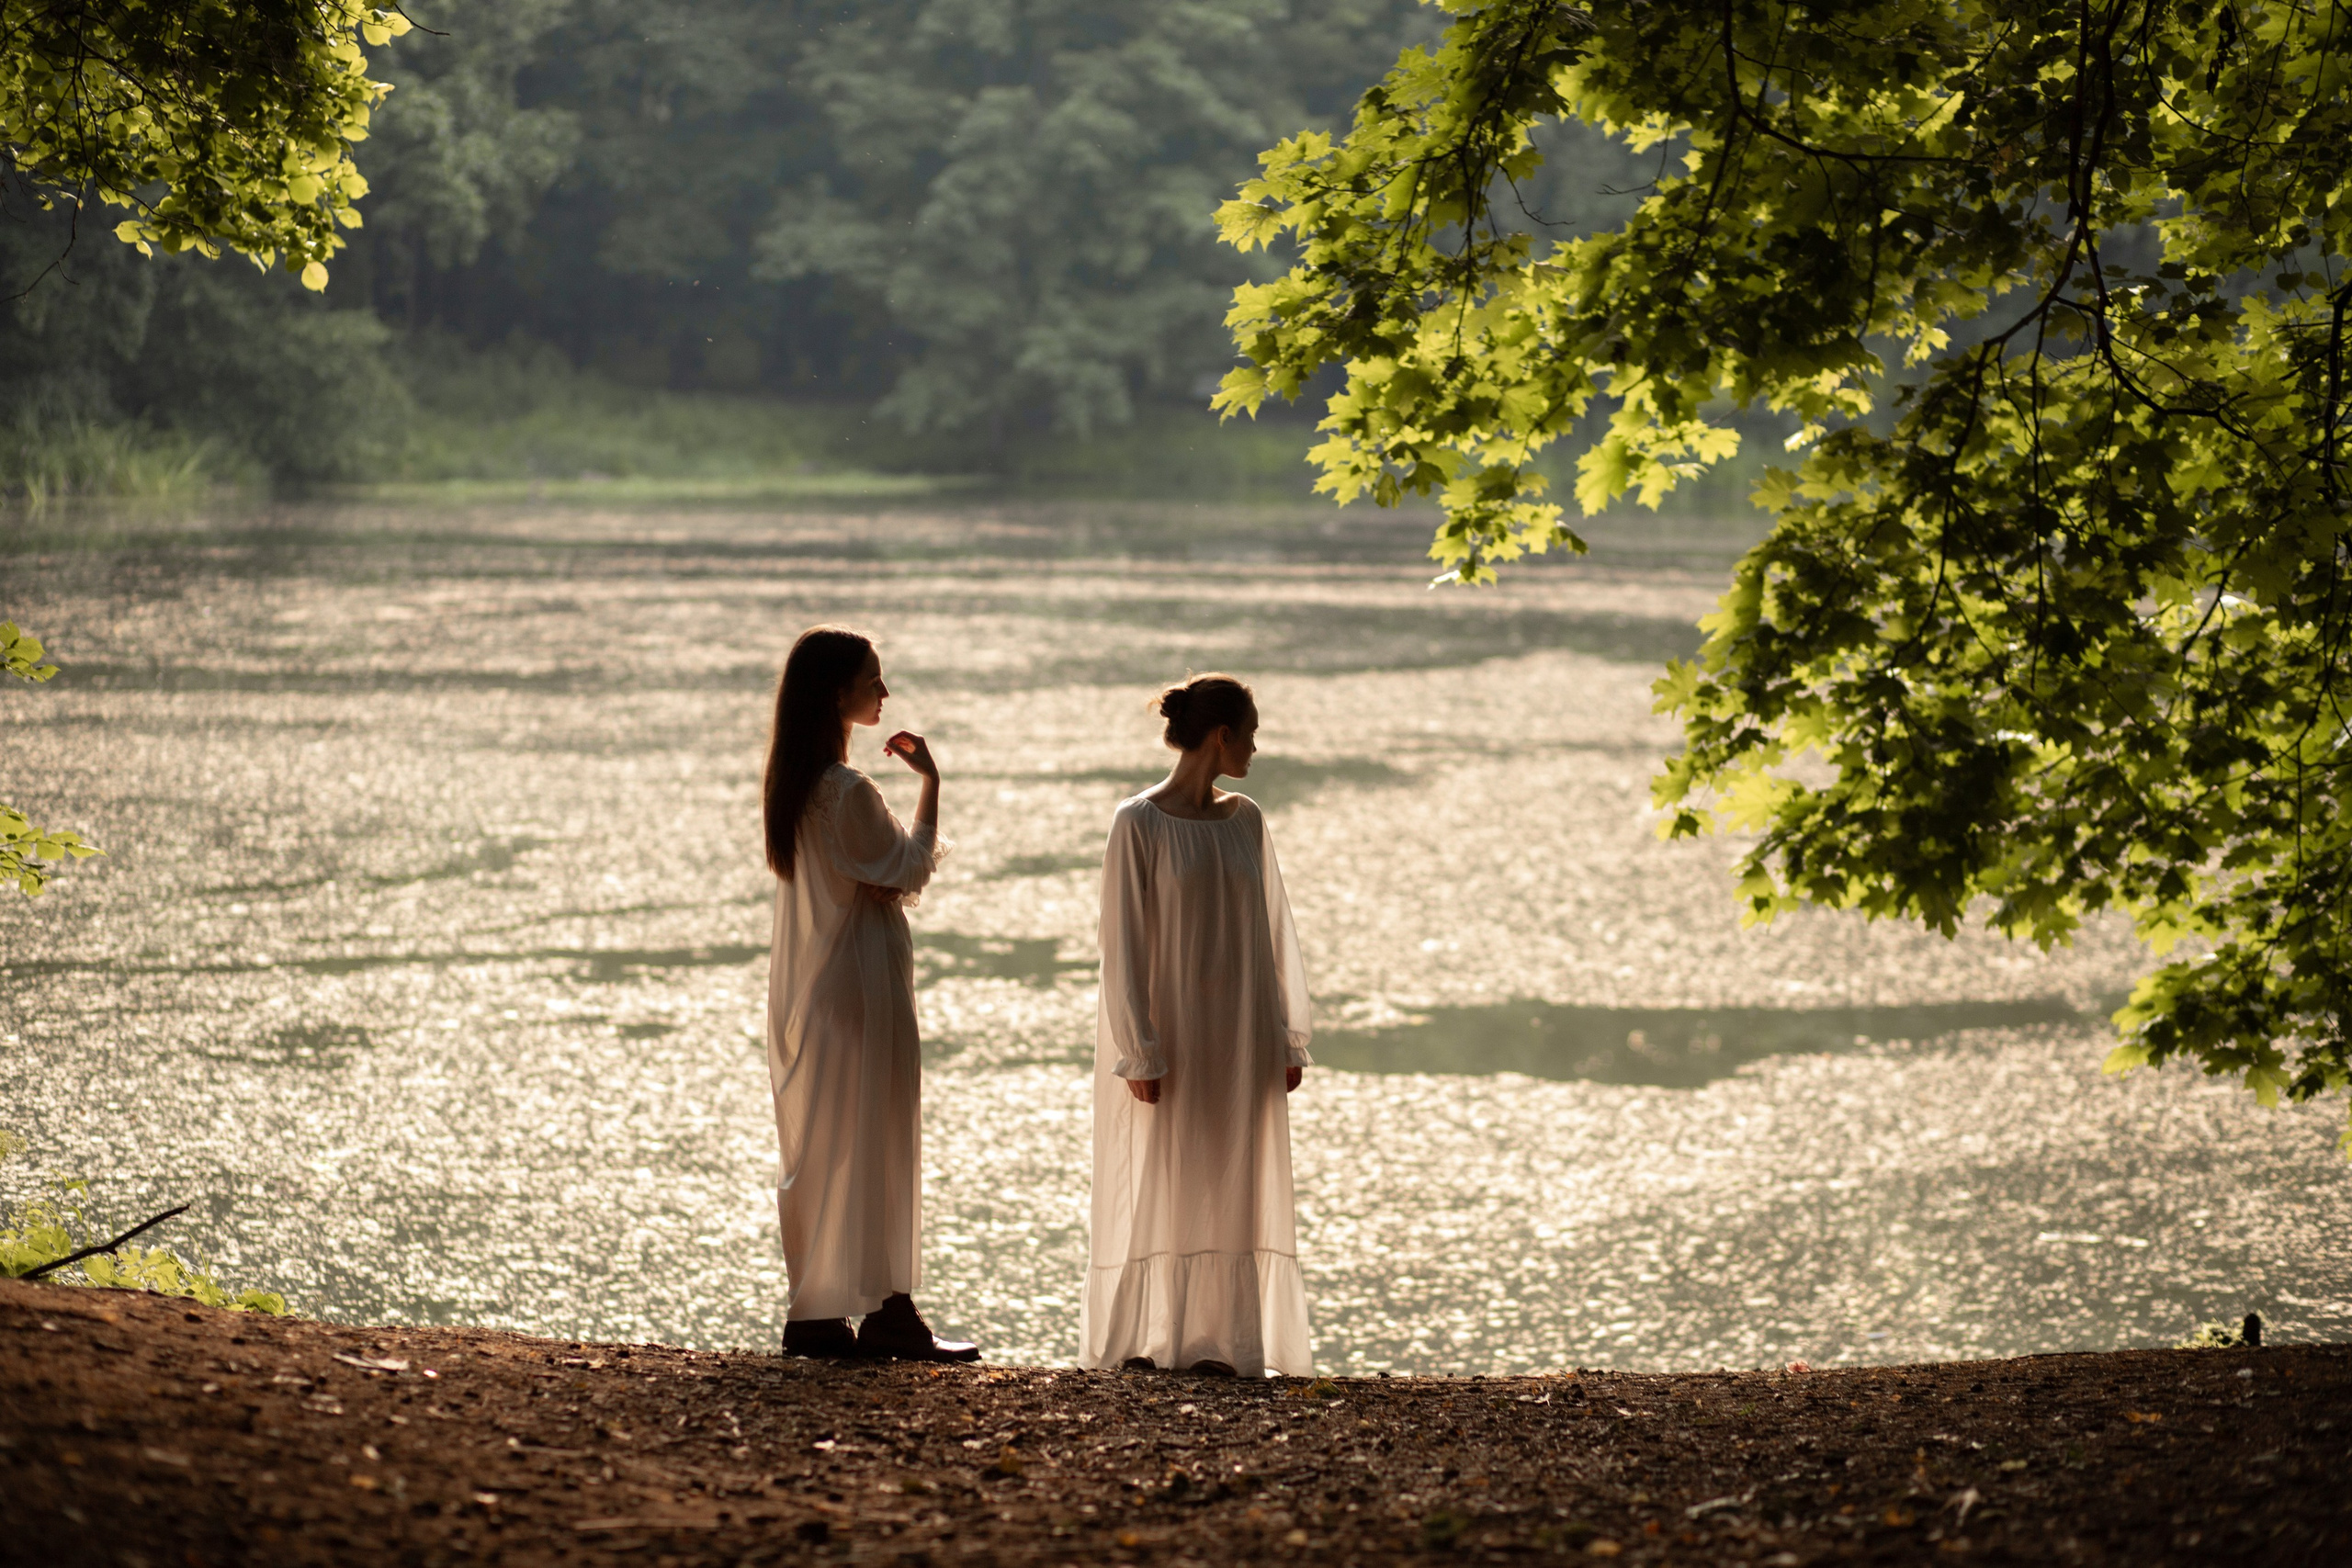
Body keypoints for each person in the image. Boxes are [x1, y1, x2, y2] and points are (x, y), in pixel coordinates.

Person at [1080, 672, 1315, 1378]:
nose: (1256, 749)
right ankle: (1154, 1339)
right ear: (1221, 736)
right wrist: (1140, 1048)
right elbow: (1121, 945)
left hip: (1241, 1030)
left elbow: (1273, 929)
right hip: (1172, 1034)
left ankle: (1221, 1340)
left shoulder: (1246, 819)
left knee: (1232, 1175)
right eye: (1251, 734)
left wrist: (1286, 1032)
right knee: (1165, 1176)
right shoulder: (1138, 821)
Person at [762, 626, 978, 1361]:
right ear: (837, 693)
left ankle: (826, 1311)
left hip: (828, 982)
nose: (884, 692)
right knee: (880, 1139)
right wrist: (931, 782)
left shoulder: (797, 787)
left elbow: (879, 872)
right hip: (862, 982)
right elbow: (908, 868)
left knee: (833, 1146)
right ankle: (886, 1311)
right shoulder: (847, 789)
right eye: (872, 679)